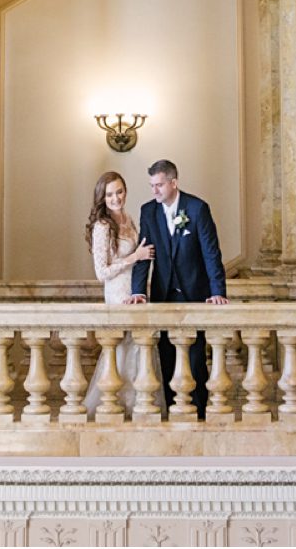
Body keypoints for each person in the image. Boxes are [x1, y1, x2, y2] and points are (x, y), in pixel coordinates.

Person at [127, 158, 227, 419]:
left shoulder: (197, 208)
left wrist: (217, 291)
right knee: (166, 354)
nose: (154, 190)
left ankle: (199, 410)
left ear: (173, 183)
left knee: (195, 356)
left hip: (195, 293)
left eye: (159, 185)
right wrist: (138, 291)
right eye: (152, 185)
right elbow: (144, 254)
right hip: (163, 294)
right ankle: (173, 409)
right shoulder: (148, 211)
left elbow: (211, 253)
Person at [84, 170, 155, 414]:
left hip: (135, 292)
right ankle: (116, 402)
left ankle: (138, 402)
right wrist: (134, 257)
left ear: (126, 191)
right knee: (121, 349)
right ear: (102, 198)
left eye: (120, 192)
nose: (116, 198)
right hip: (117, 294)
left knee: (138, 348)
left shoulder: (128, 218)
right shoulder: (102, 226)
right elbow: (101, 272)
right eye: (110, 195)